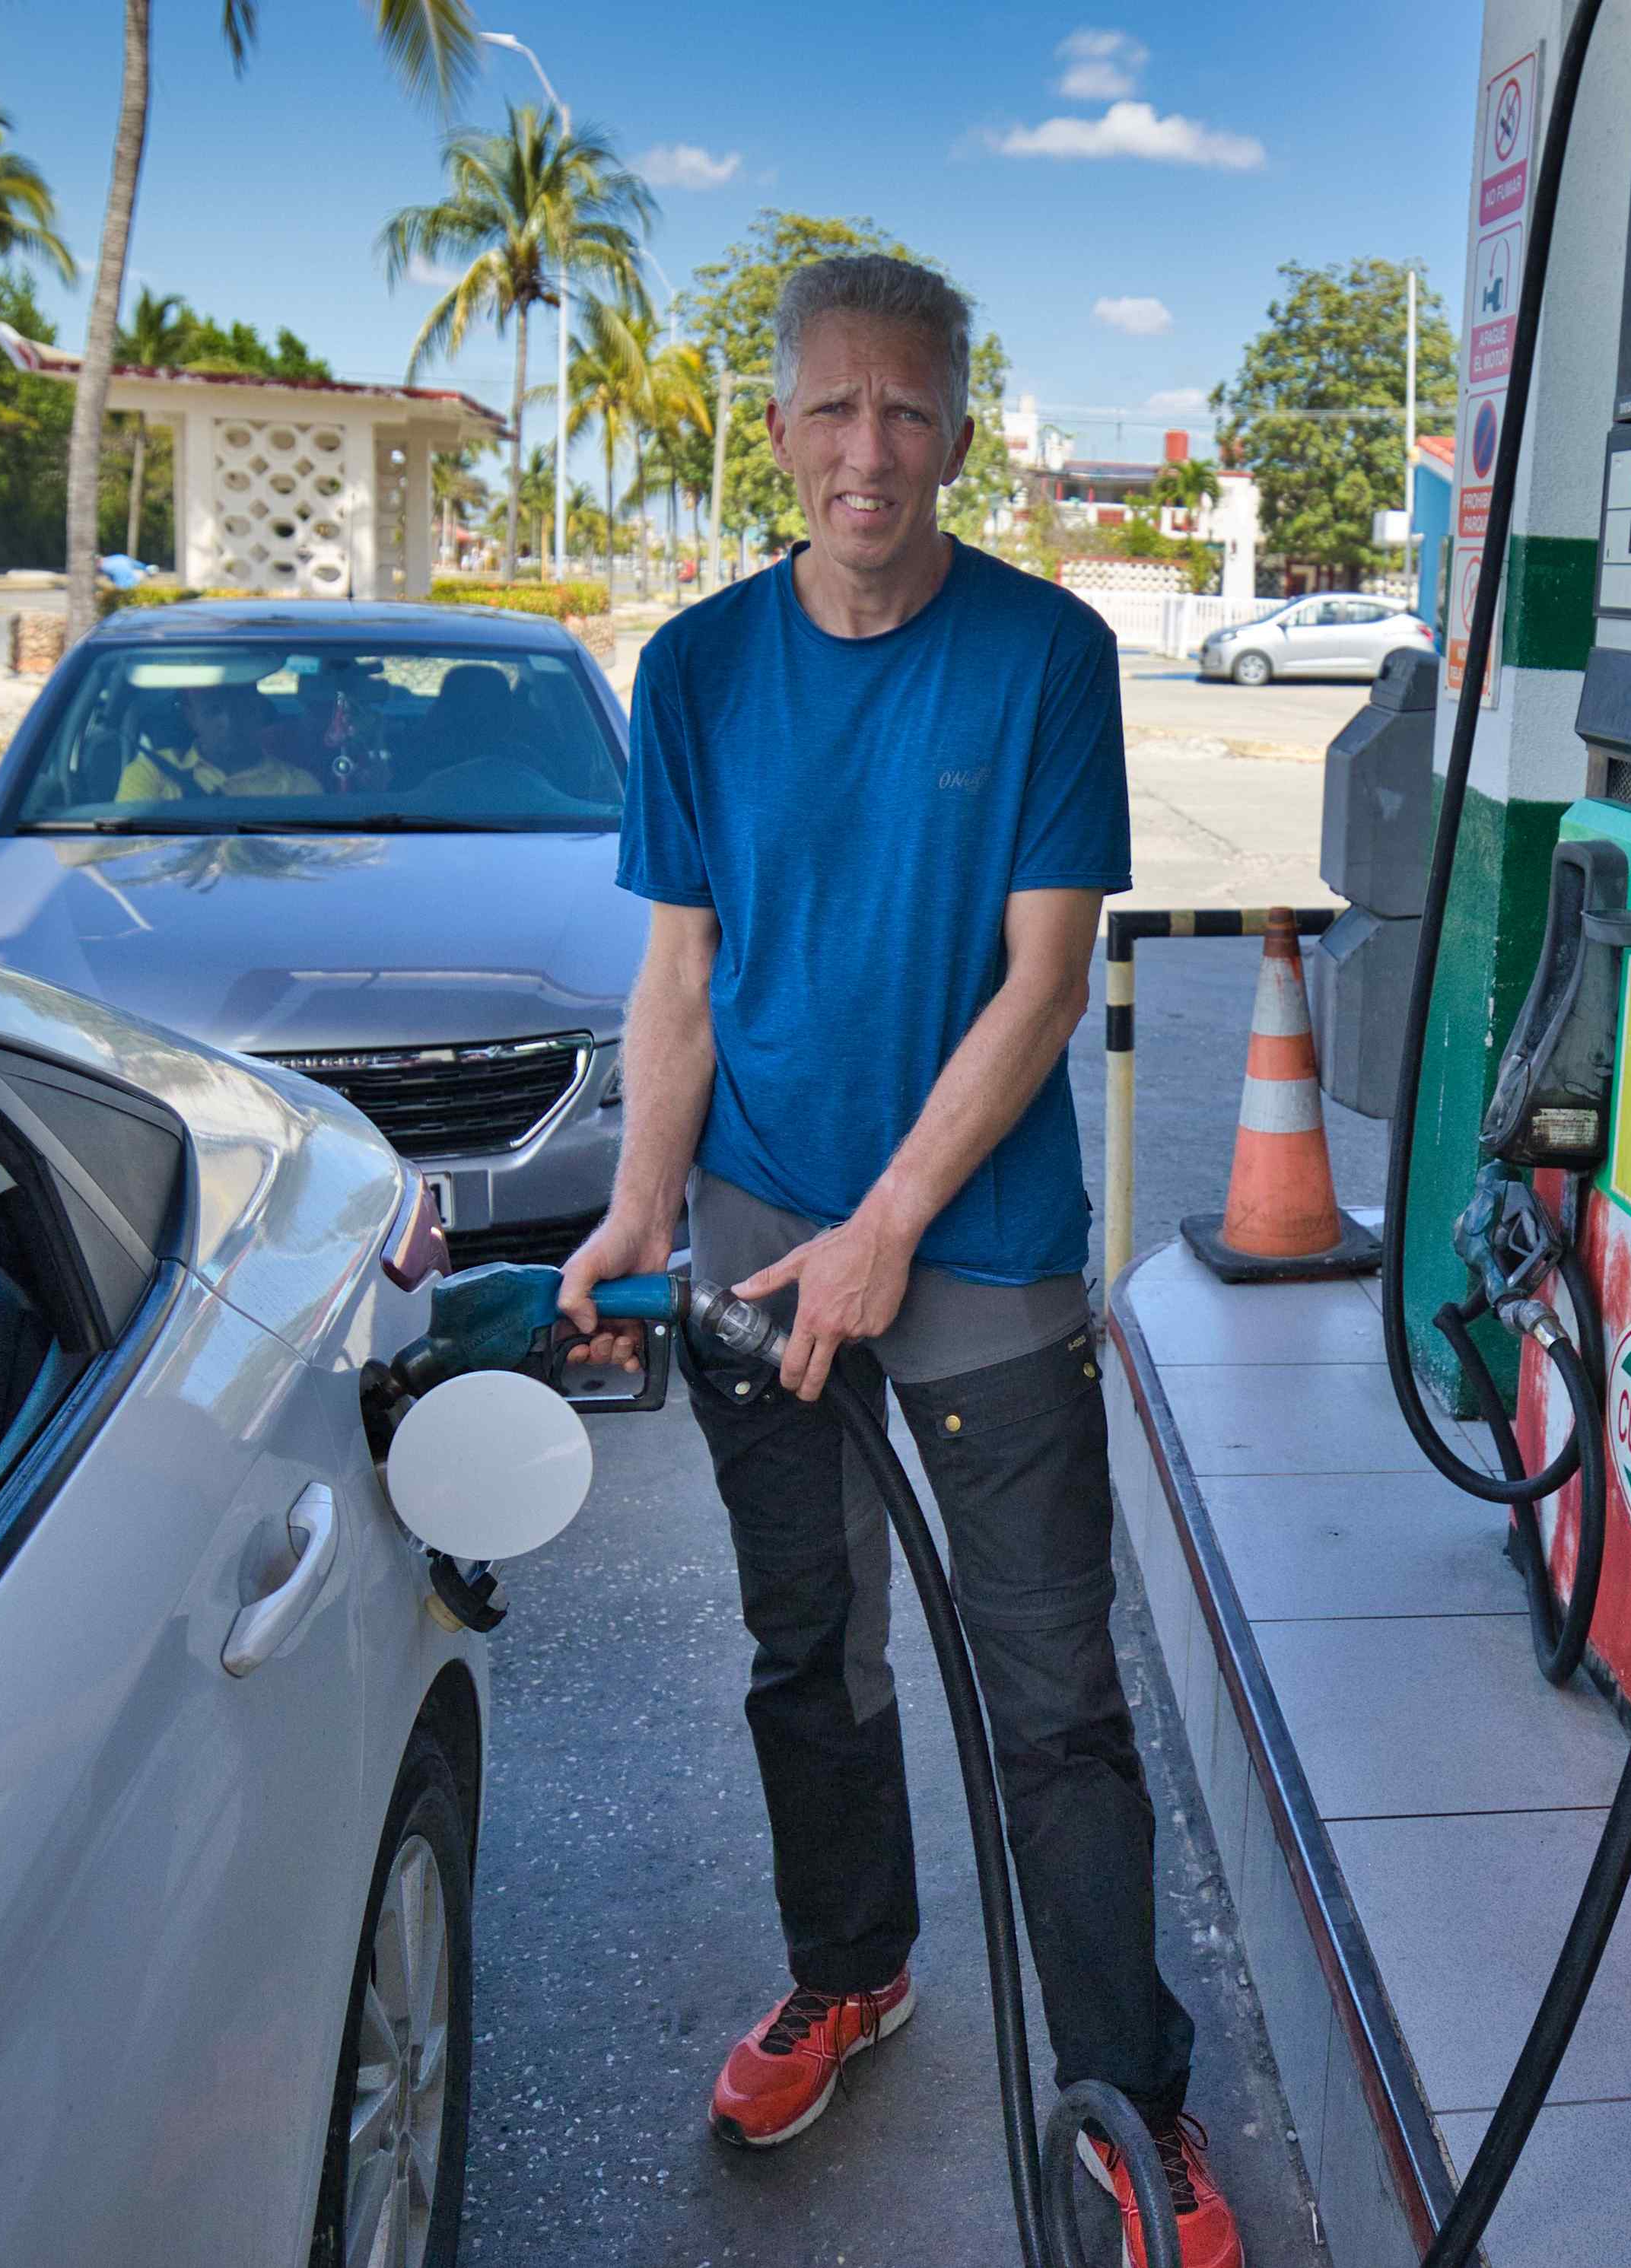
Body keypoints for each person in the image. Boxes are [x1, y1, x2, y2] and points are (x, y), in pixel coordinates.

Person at [557, 255, 1241, 2268]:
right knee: (808, 1649)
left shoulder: (1042, 655)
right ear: (779, 429)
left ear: (955, 431)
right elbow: (680, 973)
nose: (870, 447)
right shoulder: (694, 669)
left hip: (982, 1246)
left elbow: (1044, 981)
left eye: (910, 408)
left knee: (1054, 1695)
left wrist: (886, 1227)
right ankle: (849, 1969)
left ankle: (1128, 2093)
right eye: (834, 407)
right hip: (759, 1236)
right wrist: (640, 1202)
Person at [114, 681, 321, 804]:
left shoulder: (298, 786)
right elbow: (128, 850)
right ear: (191, 717)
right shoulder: (151, 773)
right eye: (213, 711)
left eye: (241, 710)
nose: (229, 723)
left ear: (259, 711)